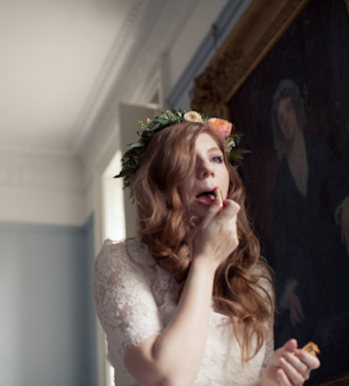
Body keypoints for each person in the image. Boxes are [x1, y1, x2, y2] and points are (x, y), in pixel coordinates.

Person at [93, 109, 320, 385]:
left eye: (216, 158)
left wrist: (269, 380)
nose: (207, 169)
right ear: (160, 185)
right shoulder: (122, 262)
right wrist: (205, 262)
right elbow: (166, 378)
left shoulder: (257, 282)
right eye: (186, 161)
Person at [269, 79, 349, 381]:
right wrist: (289, 288)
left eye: (288, 111)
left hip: (334, 256)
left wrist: (345, 208)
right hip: (305, 273)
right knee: (303, 342)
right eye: (279, 115)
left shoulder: (318, 146)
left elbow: (341, 181)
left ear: (298, 112)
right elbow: (283, 242)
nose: (285, 119)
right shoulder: (280, 182)